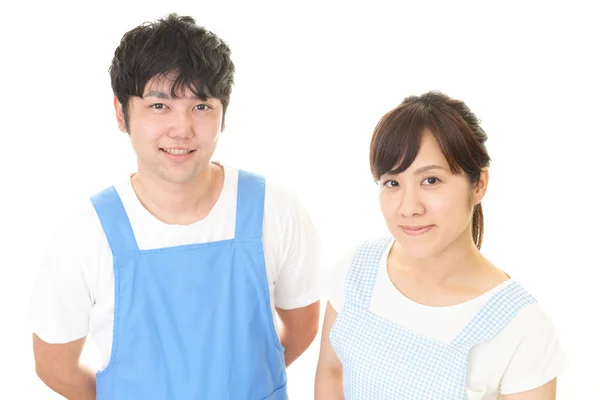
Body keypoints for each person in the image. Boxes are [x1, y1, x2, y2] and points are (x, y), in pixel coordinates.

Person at [28, 13, 321, 399]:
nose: (181, 129)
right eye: (159, 106)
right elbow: (54, 365)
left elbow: (302, 326)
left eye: (200, 106)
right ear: (121, 113)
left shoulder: (276, 210)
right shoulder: (86, 232)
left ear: (223, 113)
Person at [315, 91, 566, 399]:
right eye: (392, 182)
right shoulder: (357, 269)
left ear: (479, 184)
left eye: (430, 180)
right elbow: (332, 372)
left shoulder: (520, 325)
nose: (409, 207)